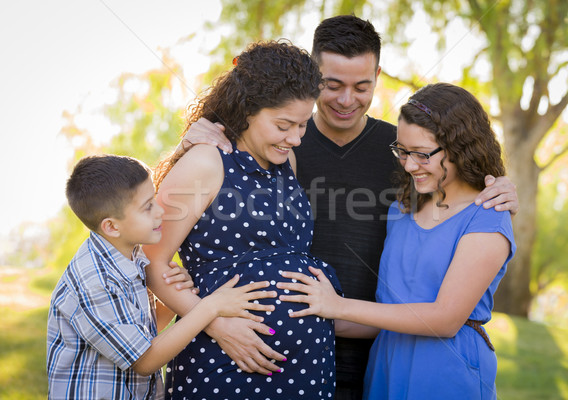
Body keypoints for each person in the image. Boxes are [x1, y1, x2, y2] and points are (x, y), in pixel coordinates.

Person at [180, 14, 519, 399]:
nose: (346, 100)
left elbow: (458, 194)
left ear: (378, 74)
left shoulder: (405, 151)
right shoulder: (278, 141)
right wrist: (194, 139)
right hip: (280, 357)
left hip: (376, 357)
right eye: (332, 84)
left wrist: (499, 186)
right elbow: (208, 195)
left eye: (361, 86)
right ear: (312, 77)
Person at [277, 82, 517, 399]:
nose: (408, 164)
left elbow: (444, 319)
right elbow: (387, 315)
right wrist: (308, 312)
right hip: (385, 368)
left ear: (461, 148)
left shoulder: (488, 215)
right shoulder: (401, 210)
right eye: (402, 151)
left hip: (445, 372)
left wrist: (338, 304)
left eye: (421, 154)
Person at [143, 40, 342, 399]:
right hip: (224, 359)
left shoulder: (286, 163)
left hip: (305, 366)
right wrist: (217, 325)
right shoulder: (206, 161)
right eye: (284, 125)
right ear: (248, 109)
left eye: (302, 125)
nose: (295, 138)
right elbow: (151, 262)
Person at [47, 154, 275, 399]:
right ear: (112, 227)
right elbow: (144, 360)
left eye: (155, 199)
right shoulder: (93, 281)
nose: (160, 212)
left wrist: (169, 303)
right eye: (148, 207)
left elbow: (141, 331)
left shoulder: (128, 255)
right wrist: (210, 307)